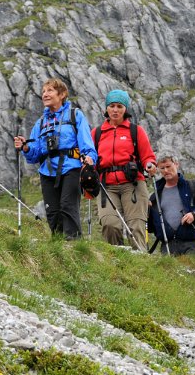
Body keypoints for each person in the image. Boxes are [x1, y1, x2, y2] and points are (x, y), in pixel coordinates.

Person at [14, 78, 97, 240]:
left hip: (72, 168)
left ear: (62, 94)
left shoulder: (75, 115)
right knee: (52, 211)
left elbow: (86, 141)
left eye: (50, 90)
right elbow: (34, 155)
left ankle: (73, 245)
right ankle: (58, 246)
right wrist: (25, 147)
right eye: (44, 91)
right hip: (47, 171)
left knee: (68, 206)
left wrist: (89, 157)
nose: (45, 94)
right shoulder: (41, 123)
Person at [92, 89, 157, 250]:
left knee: (136, 227)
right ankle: (117, 262)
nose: (115, 110)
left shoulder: (135, 131)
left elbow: (147, 156)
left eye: (119, 106)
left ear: (125, 109)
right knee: (109, 224)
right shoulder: (97, 133)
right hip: (106, 186)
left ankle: (141, 265)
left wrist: (150, 165)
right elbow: (90, 157)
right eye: (112, 106)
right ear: (106, 108)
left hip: (133, 184)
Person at [147, 155, 195, 255]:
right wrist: (147, 211)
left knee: (194, 271)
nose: (166, 170)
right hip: (167, 246)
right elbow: (150, 227)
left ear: (176, 165)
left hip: (192, 245)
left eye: (168, 166)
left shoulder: (192, 187)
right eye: (162, 168)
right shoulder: (155, 195)